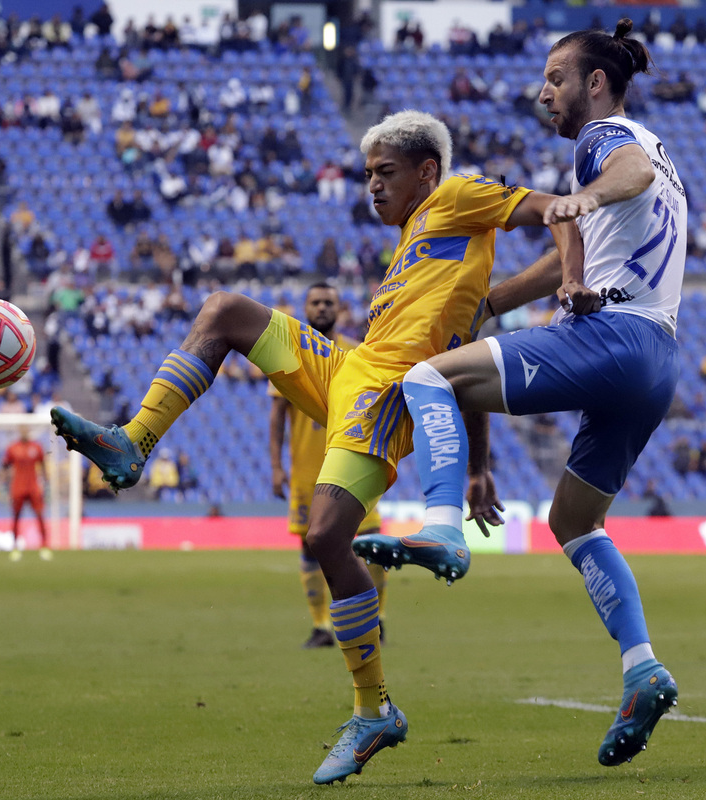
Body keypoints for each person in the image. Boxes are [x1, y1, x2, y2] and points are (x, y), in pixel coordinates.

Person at [49, 109, 581, 785]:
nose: (372, 187)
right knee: (223, 311)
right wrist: (477, 467)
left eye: (385, 173)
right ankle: (132, 442)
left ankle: (373, 708)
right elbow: (470, 356)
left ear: (427, 170)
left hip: (386, 393)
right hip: (348, 366)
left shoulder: (457, 195)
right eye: (366, 175)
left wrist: (570, 276)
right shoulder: (424, 241)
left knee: (329, 534)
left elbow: (559, 211)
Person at [351, 19, 682, 768]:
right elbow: (599, 227)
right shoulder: (661, 144)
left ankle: (440, 527)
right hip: (658, 359)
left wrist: (585, 196)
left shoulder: (604, 137)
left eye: (556, 77)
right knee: (573, 520)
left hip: (615, 338)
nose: (544, 91)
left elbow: (623, 178)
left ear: (595, 82)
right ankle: (642, 669)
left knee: (427, 374)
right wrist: (497, 299)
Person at [270, 284, 388, 649]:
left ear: (340, 309)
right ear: (305, 308)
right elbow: (276, 417)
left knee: (369, 544)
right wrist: (276, 466)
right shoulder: (290, 355)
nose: (322, 308)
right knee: (311, 547)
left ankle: (377, 619)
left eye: (328, 303)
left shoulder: (358, 353)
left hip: (353, 461)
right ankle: (321, 625)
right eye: (315, 302)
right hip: (307, 469)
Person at [0, 428, 51, 561]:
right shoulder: (13, 448)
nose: (24, 433)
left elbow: (43, 464)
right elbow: (5, 465)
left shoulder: (36, 447)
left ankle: (44, 547)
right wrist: (3, 484)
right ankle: (15, 547)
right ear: (19, 432)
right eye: (22, 430)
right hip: (18, 487)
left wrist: (47, 482)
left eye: (26, 430)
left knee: (40, 515)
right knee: (16, 517)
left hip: (33, 487)